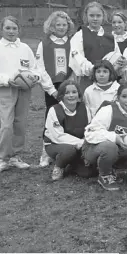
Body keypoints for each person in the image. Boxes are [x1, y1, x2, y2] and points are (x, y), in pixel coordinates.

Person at [0, 16, 40, 175]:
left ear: (19, 30)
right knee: (7, 124)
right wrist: (7, 80)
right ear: (1, 29)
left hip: (24, 90)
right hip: (6, 89)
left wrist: (33, 78)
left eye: (14, 28)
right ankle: (3, 158)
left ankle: (16, 156)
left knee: (20, 123)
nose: (11, 31)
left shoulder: (25, 48)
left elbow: (34, 68)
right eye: (7, 28)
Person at [83, 82, 127, 191]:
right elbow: (90, 133)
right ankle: (105, 175)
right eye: (124, 96)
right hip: (93, 148)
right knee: (110, 147)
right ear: (118, 98)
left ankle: (110, 166)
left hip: (120, 151)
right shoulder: (108, 110)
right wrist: (115, 138)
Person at [36, 11, 75, 167]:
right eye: (57, 24)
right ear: (51, 26)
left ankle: (69, 150)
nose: (61, 27)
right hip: (52, 87)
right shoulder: (44, 43)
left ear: (68, 26)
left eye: (64, 25)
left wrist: (70, 85)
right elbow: (40, 68)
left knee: (71, 117)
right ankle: (46, 152)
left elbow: (75, 64)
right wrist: (52, 90)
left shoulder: (72, 42)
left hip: (69, 86)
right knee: (51, 118)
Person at [69, 2, 127, 93]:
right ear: (86, 16)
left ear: (103, 16)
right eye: (91, 15)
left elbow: (117, 57)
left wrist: (121, 63)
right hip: (88, 83)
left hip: (109, 84)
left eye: (98, 15)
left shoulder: (110, 38)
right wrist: (95, 71)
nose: (95, 19)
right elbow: (77, 58)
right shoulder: (79, 35)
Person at [44, 79, 92, 181]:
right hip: (55, 144)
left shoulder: (84, 108)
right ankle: (59, 166)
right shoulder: (54, 110)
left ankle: (71, 164)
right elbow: (57, 136)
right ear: (61, 95)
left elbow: (89, 128)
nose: (71, 95)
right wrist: (82, 143)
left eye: (74, 92)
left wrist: (85, 141)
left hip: (80, 145)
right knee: (69, 150)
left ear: (78, 94)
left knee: (88, 173)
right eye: (67, 93)